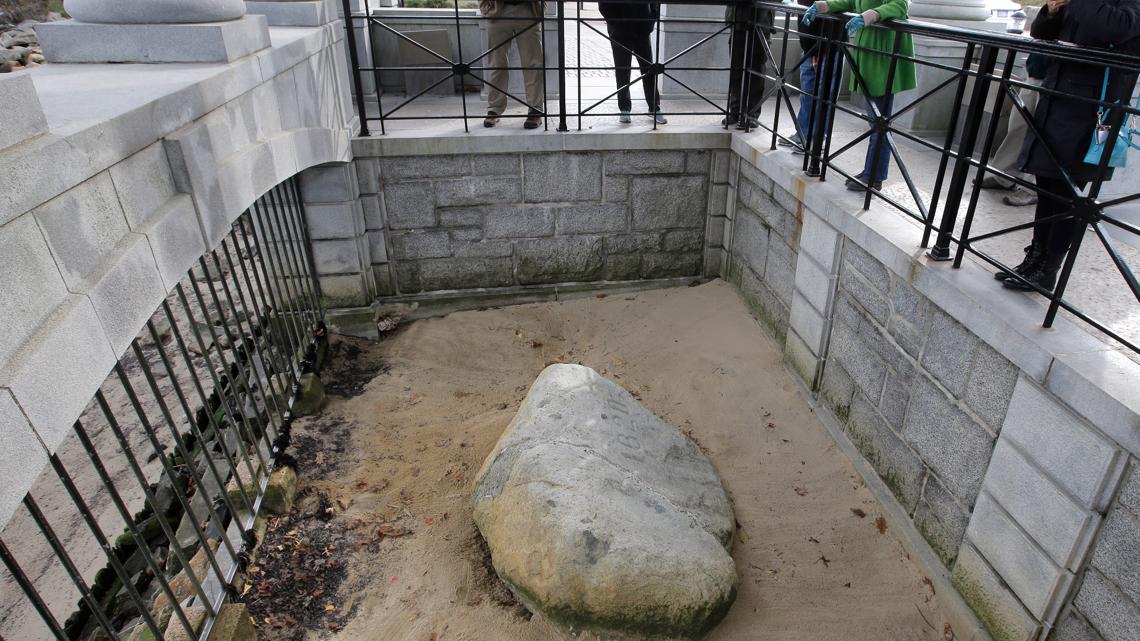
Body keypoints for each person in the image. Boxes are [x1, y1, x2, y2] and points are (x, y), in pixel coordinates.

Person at [999, 0, 1140, 291]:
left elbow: (1116, 28)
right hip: (1058, 96)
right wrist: (1051, 11)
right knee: (1046, 184)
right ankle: (1035, 258)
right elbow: (1042, 32)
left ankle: (1049, 268)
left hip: (1092, 110)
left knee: (1068, 192)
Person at [803, 0, 916, 192]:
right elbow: (850, 1)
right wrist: (824, 6)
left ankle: (874, 176)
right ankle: (871, 172)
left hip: (883, 54)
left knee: (880, 121)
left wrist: (870, 15)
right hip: (871, 51)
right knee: (877, 121)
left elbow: (900, 5)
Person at [980, 53, 1050, 207]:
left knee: (1042, 136)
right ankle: (1004, 175)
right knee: (1018, 127)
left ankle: (1032, 188)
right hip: (1037, 70)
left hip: (1056, 76)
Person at [779, 0, 839, 152]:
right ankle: (803, 134)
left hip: (828, 44)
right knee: (807, 94)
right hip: (810, 44)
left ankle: (817, 140)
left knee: (824, 96)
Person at [480, 0, 545, 129]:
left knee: (532, 64)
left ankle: (535, 110)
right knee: (496, 63)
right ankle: (494, 109)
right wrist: (486, 6)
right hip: (498, 9)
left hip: (529, 8)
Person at [599, 1, 666, 124]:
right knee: (622, 70)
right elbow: (604, 6)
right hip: (620, 32)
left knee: (649, 69)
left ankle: (654, 108)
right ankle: (624, 109)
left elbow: (656, 4)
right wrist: (618, 24)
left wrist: (650, 21)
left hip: (642, 29)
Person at [724, 0, 774, 129]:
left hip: (760, 22)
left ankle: (752, 114)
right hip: (738, 21)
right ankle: (735, 111)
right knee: (736, 71)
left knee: (756, 72)